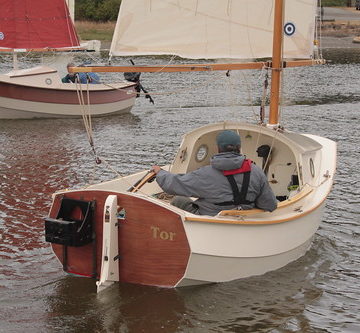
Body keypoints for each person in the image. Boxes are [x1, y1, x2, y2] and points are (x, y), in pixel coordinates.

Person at [152, 130, 277, 216]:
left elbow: (173, 185)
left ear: (218, 148)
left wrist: (160, 173)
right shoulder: (256, 172)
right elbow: (270, 205)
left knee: (178, 200)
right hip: (245, 219)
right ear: (239, 148)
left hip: (211, 220)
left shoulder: (204, 174)